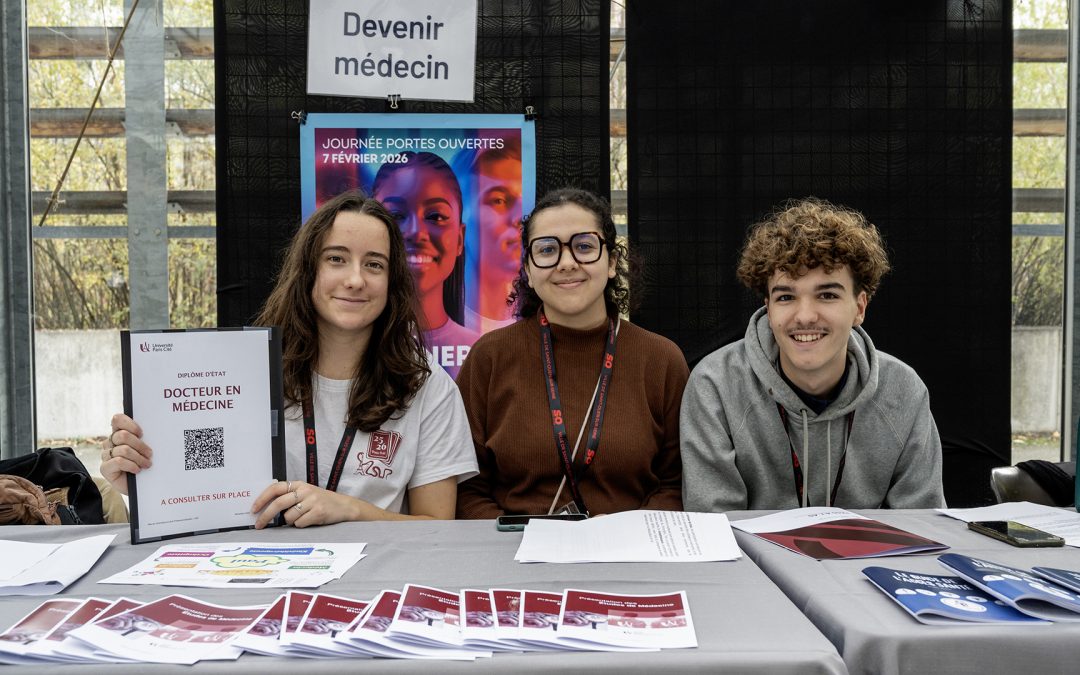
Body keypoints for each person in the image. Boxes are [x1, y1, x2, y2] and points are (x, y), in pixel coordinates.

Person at [101, 190, 478, 526]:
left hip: (373, 586)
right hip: (255, 575)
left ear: (393, 283)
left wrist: (348, 509)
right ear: (308, 270)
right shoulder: (240, 374)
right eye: (336, 259)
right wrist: (143, 478)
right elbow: (197, 495)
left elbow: (436, 527)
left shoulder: (428, 389)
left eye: (374, 264)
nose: (355, 279)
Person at [680, 197, 945, 511]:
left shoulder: (904, 391)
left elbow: (922, 527)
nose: (804, 315)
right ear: (768, 307)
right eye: (786, 296)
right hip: (753, 561)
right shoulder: (716, 385)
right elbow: (715, 531)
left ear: (859, 307)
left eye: (827, 295)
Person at [455, 188, 688, 518]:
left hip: (630, 556)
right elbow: (466, 487)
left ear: (612, 263)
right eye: (547, 250)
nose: (567, 263)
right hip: (514, 556)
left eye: (583, 247)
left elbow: (676, 484)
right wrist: (514, 541)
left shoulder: (661, 360)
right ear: (529, 271)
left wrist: (630, 536)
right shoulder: (490, 358)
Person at [372, 152, 479, 378]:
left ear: (460, 239)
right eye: (396, 215)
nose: (416, 232)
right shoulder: (351, 350)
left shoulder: (483, 353)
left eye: (435, 216)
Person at [459, 141, 523, 332]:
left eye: (523, 199)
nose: (520, 216)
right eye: (499, 200)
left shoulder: (541, 316)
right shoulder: (429, 321)